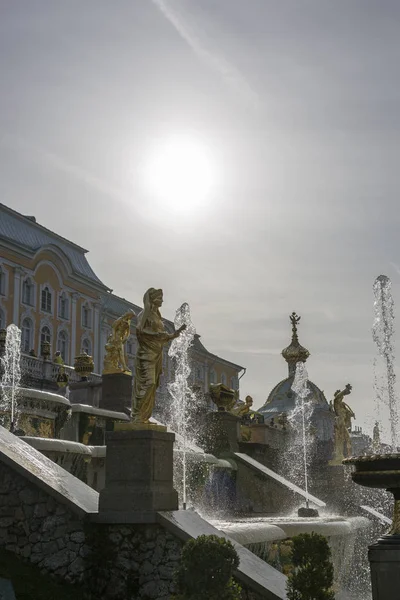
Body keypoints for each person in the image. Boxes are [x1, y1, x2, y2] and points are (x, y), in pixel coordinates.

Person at [132, 288, 185, 423]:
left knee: (153, 386)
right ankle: (137, 415)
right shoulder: (144, 315)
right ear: (152, 299)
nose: (162, 300)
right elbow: (139, 331)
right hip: (146, 354)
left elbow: (162, 336)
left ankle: (144, 416)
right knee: (149, 383)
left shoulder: (158, 317)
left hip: (157, 354)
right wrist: (157, 335)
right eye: (160, 298)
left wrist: (175, 334)